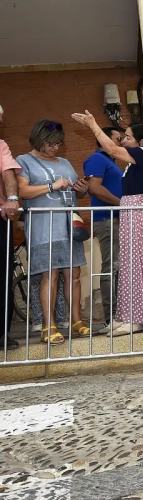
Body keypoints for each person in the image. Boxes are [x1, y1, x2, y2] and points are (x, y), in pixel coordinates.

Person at [72, 111, 143, 335]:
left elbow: (112, 149)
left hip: (139, 213)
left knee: (139, 265)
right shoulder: (136, 161)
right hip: (133, 213)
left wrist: (94, 126)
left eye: (128, 137)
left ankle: (140, 317)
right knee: (131, 266)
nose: (123, 141)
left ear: (140, 141)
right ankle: (129, 315)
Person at [16, 119, 91, 344]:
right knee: (51, 274)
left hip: (69, 226)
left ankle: (76, 321)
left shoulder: (65, 162)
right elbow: (22, 191)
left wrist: (81, 189)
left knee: (74, 275)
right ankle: (49, 326)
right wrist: (51, 186)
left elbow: (77, 193)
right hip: (43, 227)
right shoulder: (24, 161)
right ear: (38, 140)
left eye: (59, 143)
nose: (55, 147)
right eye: (50, 143)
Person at [83, 127, 123, 333]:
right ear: (104, 139)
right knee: (111, 266)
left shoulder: (111, 161)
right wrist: (121, 204)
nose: (120, 142)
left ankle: (118, 315)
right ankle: (111, 317)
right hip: (107, 219)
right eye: (117, 139)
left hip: (115, 218)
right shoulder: (97, 159)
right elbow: (94, 188)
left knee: (117, 266)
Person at [0, 105, 21, 350]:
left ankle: (1, 334)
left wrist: (12, 199)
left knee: (4, 278)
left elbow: (8, 173)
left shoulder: (1, 145)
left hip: (0, 217)